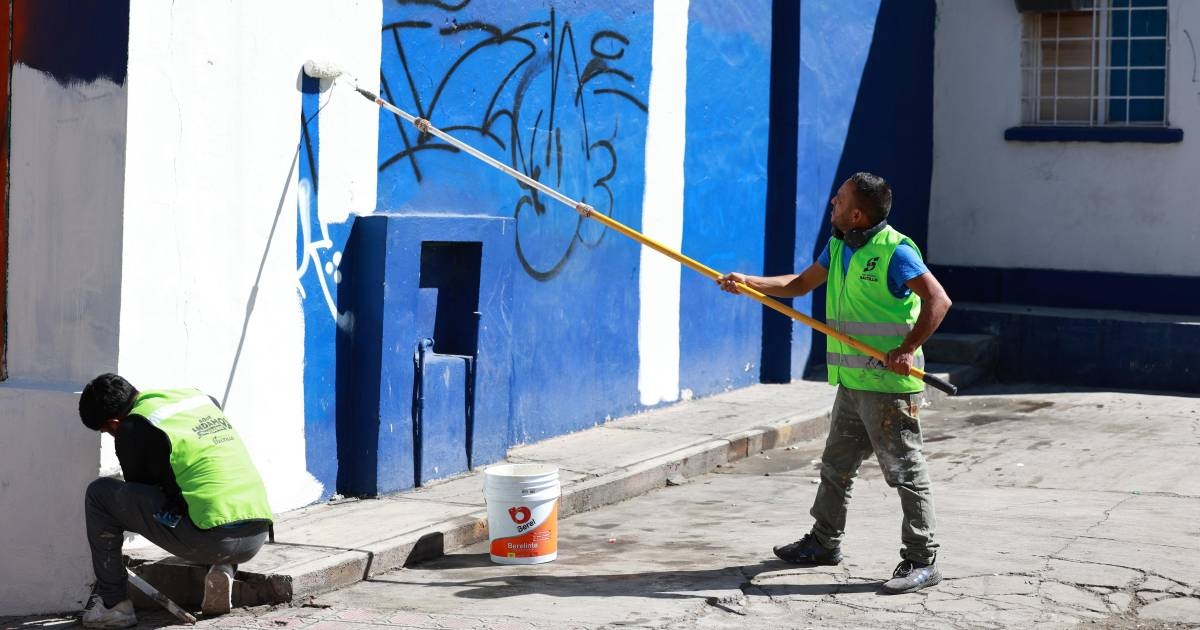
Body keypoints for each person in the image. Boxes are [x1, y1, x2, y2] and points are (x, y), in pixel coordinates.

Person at [718, 172, 952, 594]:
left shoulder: (895, 251)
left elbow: (939, 300)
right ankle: (824, 543)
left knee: (904, 472)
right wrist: (749, 283)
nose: (832, 203)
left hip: (888, 388)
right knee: (836, 468)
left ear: (857, 213)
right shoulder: (840, 245)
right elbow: (799, 284)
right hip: (852, 382)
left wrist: (907, 347)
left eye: (839, 200)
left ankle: (922, 558)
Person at [77, 373, 274, 627]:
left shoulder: (132, 428)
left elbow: (142, 493)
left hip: (213, 539)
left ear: (114, 423)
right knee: (207, 496)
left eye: (107, 431)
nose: (112, 435)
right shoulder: (197, 399)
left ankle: (114, 606)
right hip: (256, 532)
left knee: (99, 494)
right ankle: (223, 568)